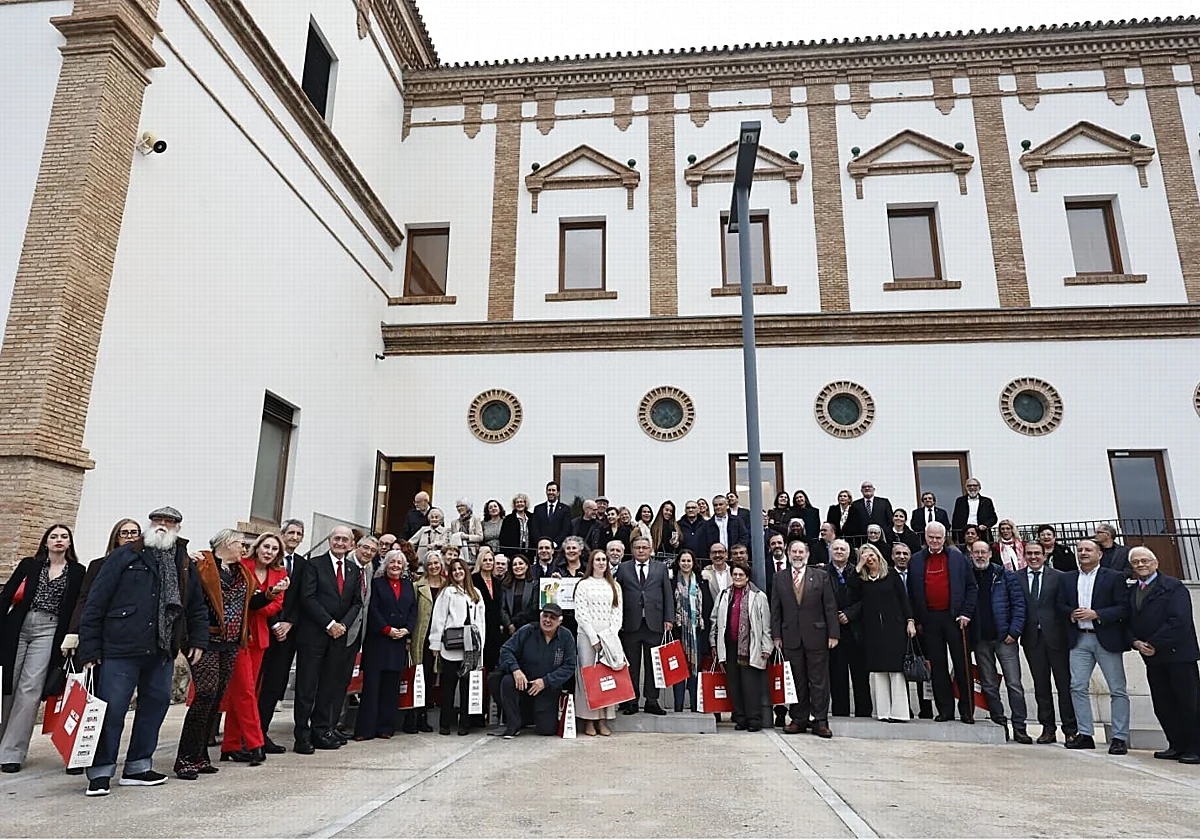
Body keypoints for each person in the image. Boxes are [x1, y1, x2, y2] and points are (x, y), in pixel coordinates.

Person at [78, 507, 207, 796]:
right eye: (157, 520)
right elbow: (96, 601)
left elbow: (196, 606)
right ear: (150, 524)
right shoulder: (125, 556)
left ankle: (138, 766)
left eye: (169, 521)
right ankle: (100, 772)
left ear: (177, 527)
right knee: (112, 710)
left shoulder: (183, 561)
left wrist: (196, 640)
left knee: (155, 707)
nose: (162, 525)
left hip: (162, 648)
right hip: (120, 647)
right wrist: (89, 648)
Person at [0, 524, 85, 773]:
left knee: (31, 688)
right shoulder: (30, 565)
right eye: (54, 536)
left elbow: (78, 605)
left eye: (64, 537)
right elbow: (6, 595)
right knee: (8, 684)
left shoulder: (77, 571)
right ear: (45, 542)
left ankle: (11, 752)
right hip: (18, 625)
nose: (59, 540)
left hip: (49, 629)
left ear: (69, 543)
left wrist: (72, 636)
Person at [175, 529, 255, 778]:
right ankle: (186, 758)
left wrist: (272, 593)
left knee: (217, 696)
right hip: (205, 640)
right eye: (242, 544)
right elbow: (186, 593)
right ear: (227, 543)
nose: (245, 549)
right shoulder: (203, 563)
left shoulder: (241, 573)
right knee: (205, 694)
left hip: (230, 643)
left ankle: (200, 755)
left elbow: (249, 603)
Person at [219, 532, 289, 767]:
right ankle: (255, 742)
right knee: (245, 690)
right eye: (266, 547)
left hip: (259, 637)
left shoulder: (280, 574)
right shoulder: (242, 566)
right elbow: (239, 600)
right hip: (237, 634)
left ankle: (230, 744)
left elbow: (273, 608)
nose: (269, 552)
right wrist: (262, 599)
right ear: (257, 548)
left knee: (245, 691)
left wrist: (262, 600)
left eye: (274, 549)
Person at [292, 526, 363, 755]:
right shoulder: (314, 564)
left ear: (352, 544)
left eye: (345, 539)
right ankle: (302, 735)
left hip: (338, 638)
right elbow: (308, 597)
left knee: (329, 687)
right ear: (329, 540)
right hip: (314, 636)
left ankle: (321, 731)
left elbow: (356, 602)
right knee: (307, 687)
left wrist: (342, 625)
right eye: (337, 538)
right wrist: (329, 624)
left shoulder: (353, 569)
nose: (340, 543)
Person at [1126, 546, 1200, 764]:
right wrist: (1135, 642)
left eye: (1145, 561)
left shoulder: (1173, 587)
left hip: (1178, 656)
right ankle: (1176, 744)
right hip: (1152, 658)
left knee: (1188, 703)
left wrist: (1154, 642)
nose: (1141, 565)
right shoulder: (1133, 591)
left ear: (1155, 563)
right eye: (1136, 562)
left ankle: (1195, 747)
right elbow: (1127, 621)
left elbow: (1179, 621)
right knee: (1164, 703)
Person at [1056, 539, 1130, 753]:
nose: (1083, 553)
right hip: (1079, 639)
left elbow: (1123, 608)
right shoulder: (1068, 578)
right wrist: (1071, 613)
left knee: (1117, 689)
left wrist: (1097, 614)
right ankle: (1085, 733)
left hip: (1105, 638)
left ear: (1100, 554)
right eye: (1080, 550)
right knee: (1077, 686)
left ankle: (1119, 737)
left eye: (1088, 549)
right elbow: (1059, 604)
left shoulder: (1114, 578)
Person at [907, 522, 977, 724]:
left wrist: (965, 613)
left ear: (944, 537)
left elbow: (972, 588)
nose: (935, 541)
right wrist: (917, 619)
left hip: (955, 619)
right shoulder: (917, 560)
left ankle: (967, 711)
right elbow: (911, 592)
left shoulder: (957, 558)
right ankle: (945, 710)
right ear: (925, 537)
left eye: (938, 537)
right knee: (937, 668)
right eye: (931, 537)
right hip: (930, 620)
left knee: (962, 666)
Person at [770, 540, 838, 737]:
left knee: (818, 681)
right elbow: (776, 610)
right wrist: (776, 635)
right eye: (794, 552)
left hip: (817, 636)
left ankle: (820, 720)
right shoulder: (779, 578)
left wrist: (833, 634)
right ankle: (798, 719)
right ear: (788, 554)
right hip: (790, 636)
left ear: (807, 554)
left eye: (801, 551)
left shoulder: (821, 576)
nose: (797, 555)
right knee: (797, 680)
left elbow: (830, 606)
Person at [968, 540, 1028, 742]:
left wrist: (1014, 631)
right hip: (981, 640)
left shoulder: (1005, 575)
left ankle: (1020, 727)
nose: (980, 556)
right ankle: (999, 723)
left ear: (989, 554)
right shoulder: (967, 576)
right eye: (976, 552)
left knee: (1014, 684)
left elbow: (1019, 605)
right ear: (971, 554)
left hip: (1005, 639)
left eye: (983, 552)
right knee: (989, 684)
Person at [1019, 541, 1077, 744]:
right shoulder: (1017, 578)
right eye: (1029, 554)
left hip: (1057, 638)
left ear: (1044, 556)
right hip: (1032, 639)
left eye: (1037, 553)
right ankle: (1048, 729)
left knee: (1064, 685)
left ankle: (1070, 729)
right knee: (1041, 686)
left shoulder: (1059, 577)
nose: (1033, 557)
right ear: (1024, 556)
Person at [355, 549, 417, 741]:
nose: (396, 566)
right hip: (379, 641)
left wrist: (407, 629)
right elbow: (372, 609)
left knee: (391, 688)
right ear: (385, 564)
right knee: (372, 687)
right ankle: (365, 730)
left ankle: (385, 727)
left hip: (398, 642)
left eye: (399, 563)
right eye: (392, 562)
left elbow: (413, 609)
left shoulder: (408, 585)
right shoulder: (377, 584)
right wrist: (386, 629)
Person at [257, 517, 306, 753]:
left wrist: (289, 622)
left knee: (275, 686)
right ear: (282, 534)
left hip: (288, 636)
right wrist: (275, 623)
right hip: (262, 629)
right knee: (254, 684)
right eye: (291, 533)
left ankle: (262, 733)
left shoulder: (303, 565)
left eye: (299, 534)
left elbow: (300, 599)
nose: (295, 537)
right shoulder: (268, 560)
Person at [493, 603, 577, 738]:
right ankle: (513, 725)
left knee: (547, 730)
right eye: (545, 616)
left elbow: (570, 666)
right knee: (506, 681)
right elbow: (506, 650)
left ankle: (530, 717)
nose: (547, 620)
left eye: (552, 618)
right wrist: (516, 670)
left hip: (547, 687)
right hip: (524, 682)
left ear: (559, 622)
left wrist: (545, 681)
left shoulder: (566, 637)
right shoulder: (527, 630)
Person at [854, 544, 916, 723]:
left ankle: (899, 712)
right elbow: (850, 589)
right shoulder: (862, 578)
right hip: (873, 630)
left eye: (871, 555)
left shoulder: (890, 574)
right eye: (865, 557)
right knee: (879, 671)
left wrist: (910, 620)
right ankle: (883, 712)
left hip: (894, 628)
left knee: (896, 671)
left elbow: (903, 599)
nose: (870, 559)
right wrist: (859, 566)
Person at [63, 518, 140, 660]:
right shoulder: (98, 565)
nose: (129, 537)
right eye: (124, 533)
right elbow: (84, 599)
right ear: (116, 538)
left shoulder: (146, 568)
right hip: (101, 626)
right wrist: (74, 631)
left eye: (134, 532)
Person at [614, 536, 674, 715]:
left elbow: (667, 594)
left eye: (644, 548)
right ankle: (631, 700)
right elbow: (617, 594)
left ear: (651, 550)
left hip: (654, 622)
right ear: (632, 550)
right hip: (630, 624)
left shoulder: (660, 567)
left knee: (653, 664)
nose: (641, 550)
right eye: (638, 547)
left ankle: (652, 700)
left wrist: (668, 618)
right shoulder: (623, 568)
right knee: (631, 665)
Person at [711, 561, 771, 731]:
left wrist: (766, 646)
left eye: (741, 575)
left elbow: (766, 625)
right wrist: (713, 642)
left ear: (747, 577)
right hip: (729, 645)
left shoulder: (758, 596)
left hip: (750, 647)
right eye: (735, 574)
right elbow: (715, 620)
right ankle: (741, 718)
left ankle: (754, 720)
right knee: (734, 684)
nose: (737, 578)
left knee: (750, 685)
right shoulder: (724, 595)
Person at [428, 557, 486, 736]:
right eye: (454, 570)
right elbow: (438, 618)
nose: (458, 572)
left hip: (470, 648)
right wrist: (435, 643)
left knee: (467, 689)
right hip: (451, 646)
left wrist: (480, 645)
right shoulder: (447, 592)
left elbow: (481, 622)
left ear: (466, 572)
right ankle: (445, 724)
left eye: (461, 569)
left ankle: (465, 724)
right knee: (448, 688)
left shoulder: (475, 593)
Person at [574, 550, 625, 735]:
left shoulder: (615, 586)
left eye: (604, 559)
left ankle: (603, 720)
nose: (602, 562)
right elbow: (581, 614)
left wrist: (608, 636)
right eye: (598, 559)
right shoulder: (583, 585)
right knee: (589, 678)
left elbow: (617, 614)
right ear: (591, 563)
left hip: (609, 638)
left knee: (607, 677)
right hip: (587, 638)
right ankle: (589, 721)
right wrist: (594, 638)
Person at [334, 536, 379, 739]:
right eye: (365, 548)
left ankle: (335, 724)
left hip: (357, 633)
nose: (368, 553)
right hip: (340, 630)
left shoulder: (368, 569)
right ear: (356, 546)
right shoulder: (346, 565)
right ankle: (325, 723)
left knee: (343, 680)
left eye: (372, 550)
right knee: (331, 681)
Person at [826, 539, 869, 718]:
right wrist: (835, 616)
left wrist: (849, 614)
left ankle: (864, 712)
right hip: (834, 632)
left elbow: (866, 598)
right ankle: (840, 713)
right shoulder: (822, 573)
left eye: (843, 549)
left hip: (856, 630)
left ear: (849, 552)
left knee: (860, 675)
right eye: (835, 548)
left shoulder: (858, 571)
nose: (839, 552)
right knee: (837, 675)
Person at [891, 542, 931, 718]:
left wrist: (918, 621)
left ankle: (926, 708)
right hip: (896, 629)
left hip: (920, 628)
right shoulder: (888, 576)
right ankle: (904, 708)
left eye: (905, 554)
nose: (901, 557)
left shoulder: (917, 575)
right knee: (901, 669)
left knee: (922, 665)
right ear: (892, 556)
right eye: (898, 553)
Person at [670, 549, 710, 714]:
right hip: (678, 632)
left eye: (689, 561)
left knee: (695, 671)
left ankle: (695, 706)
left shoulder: (702, 582)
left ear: (693, 563)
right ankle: (678, 707)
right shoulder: (671, 582)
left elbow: (707, 608)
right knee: (679, 672)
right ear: (678, 563)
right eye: (683, 561)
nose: (686, 564)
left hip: (697, 633)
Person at [405, 543, 437, 734]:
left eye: (436, 563)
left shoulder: (447, 585)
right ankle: (412, 717)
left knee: (431, 679)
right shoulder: (418, 586)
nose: (434, 566)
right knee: (418, 677)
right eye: (430, 563)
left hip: (439, 640)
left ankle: (424, 715)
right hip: (421, 638)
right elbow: (410, 612)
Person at [472, 546, 504, 723]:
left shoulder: (497, 582)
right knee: (478, 671)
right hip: (479, 628)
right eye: (485, 559)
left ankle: (491, 714)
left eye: (491, 560)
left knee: (492, 671)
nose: (488, 562)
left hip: (495, 631)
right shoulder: (474, 580)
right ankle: (476, 714)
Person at [501, 554, 539, 638]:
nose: (518, 566)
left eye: (521, 563)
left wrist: (516, 623)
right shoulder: (505, 585)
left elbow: (533, 607)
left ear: (527, 566)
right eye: (514, 564)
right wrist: (509, 625)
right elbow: (503, 608)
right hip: (509, 630)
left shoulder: (534, 584)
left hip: (529, 628)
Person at [951, 478, 998, 542]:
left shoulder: (987, 501)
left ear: (979, 487)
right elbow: (955, 519)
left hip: (982, 534)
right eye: (969, 486)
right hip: (964, 534)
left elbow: (993, 518)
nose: (972, 487)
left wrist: (985, 525)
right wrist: (955, 538)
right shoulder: (960, 501)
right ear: (966, 488)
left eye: (975, 485)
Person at [533, 482, 572, 549]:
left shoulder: (565, 509)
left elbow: (566, 529)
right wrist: (541, 542)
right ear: (546, 492)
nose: (551, 492)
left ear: (558, 493)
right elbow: (535, 528)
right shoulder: (538, 509)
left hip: (558, 547)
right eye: (549, 490)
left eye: (553, 490)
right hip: (542, 548)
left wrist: (555, 543)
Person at [447, 499, 483, 563]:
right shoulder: (454, 522)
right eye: (457, 506)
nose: (459, 508)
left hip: (472, 551)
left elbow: (480, 537)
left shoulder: (475, 519)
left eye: (461, 506)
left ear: (467, 507)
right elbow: (452, 539)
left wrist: (466, 537)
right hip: (459, 551)